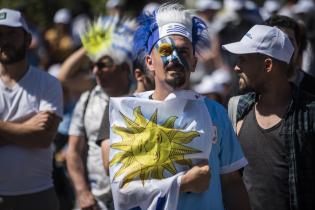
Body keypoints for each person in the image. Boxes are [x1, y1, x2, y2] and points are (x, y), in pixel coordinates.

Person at [102, 3, 250, 210]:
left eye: (183, 51)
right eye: (165, 50)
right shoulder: (129, 115)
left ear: (194, 63)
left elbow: (232, 182)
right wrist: (181, 183)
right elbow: (122, 191)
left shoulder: (214, 112)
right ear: (149, 62)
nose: (174, 58)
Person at [224, 24, 315, 210]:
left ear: (267, 65)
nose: (236, 67)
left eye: (243, 59)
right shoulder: (237, 108)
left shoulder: (310, 113)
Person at [66, 16, 136, 210]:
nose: (96, 71)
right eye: (93, 65)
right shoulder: (88, 98)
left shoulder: (141, 96)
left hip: (136, 200)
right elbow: (73, 151)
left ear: (123, 68)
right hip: (95, 203)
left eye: (103, 64)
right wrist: (81, 191)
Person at [0, 8, 63, 210]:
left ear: (28, 40)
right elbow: (35, 135)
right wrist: (27, 127)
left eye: (12, 34)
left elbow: (44, 138)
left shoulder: (48, 83)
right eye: (0, 34)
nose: (5, 40)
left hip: (39, 195)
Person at [264, 14, 315, 96]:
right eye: (276, 41)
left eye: (289, 41)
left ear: (298, 46)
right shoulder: (253, 86)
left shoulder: (312, 88)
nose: (284, 47)